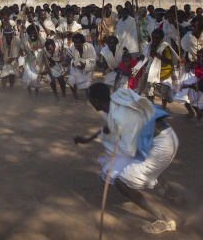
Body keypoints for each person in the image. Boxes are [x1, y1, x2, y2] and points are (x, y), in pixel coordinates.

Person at [74, 83, 179, 234]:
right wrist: (88, 139)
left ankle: (166, 221)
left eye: (89, 99)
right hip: (158, 137)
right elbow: (110, 127)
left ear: (95, 101)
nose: (89, 101)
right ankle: (172, 193)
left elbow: (128, 149)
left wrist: (109, 147)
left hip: (162, 145)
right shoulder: (113, 104)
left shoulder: (119, 114)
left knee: (120, 182)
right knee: (136, 161)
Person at [136, 29, 178, 110]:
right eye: (153, 38)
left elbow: (170, 60)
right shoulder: (150, 45)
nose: (154, 40)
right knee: (149, 90)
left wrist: (157, 55)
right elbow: (145, 54)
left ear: (161, 38)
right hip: (152, 71)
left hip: (164, 72)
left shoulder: (164, 47)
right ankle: (151, 105)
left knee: (164, 93)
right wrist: (141, 57)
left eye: (157, 38)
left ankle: (163, 107)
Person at [67, 33, 96, 101]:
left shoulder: (89, 47)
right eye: (75, 43)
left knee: (87, 85)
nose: (76, 44)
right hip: (76, 68)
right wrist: (64, 61)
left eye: (78, 42)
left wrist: (85, 64)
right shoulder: (71, 49)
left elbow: (93, 60)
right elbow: (66, 62)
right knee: (70, 81)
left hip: (88, 68)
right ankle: (76, 98)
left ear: (83, 42)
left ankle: (88, 99)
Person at [21, 25, 45, 95]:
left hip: (38, 61)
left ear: (37, 33)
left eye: (34, 33)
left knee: (36, 78)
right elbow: (23, 50)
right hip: (28, 60)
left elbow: (44, 52)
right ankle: (30, 94)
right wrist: (23, 52)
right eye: (31, 33)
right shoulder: (25, 39)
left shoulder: (42, 41)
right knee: (29, 77)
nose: (32, 35)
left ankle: (36, 94)